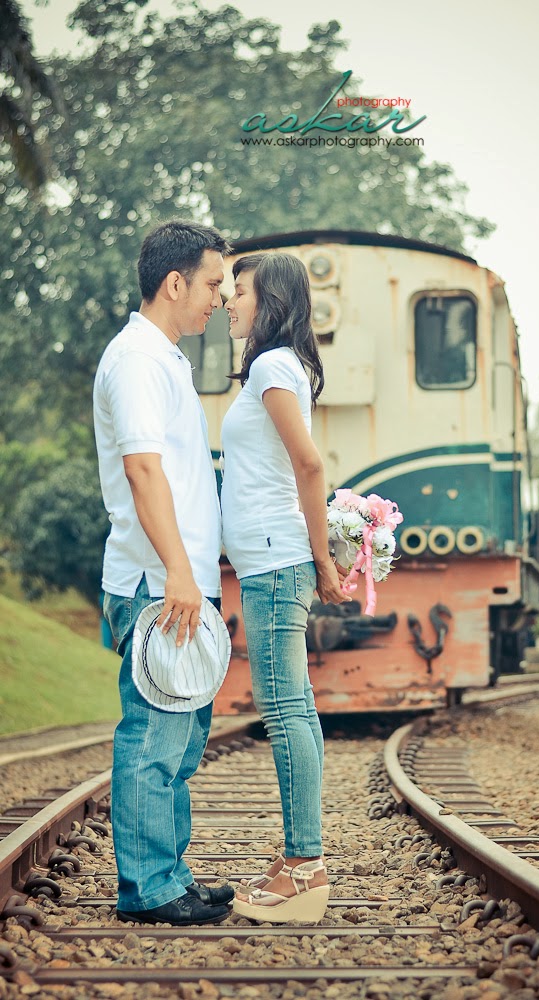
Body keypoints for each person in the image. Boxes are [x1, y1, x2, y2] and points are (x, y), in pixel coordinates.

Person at [93, 220, 235, 926]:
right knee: (153, 736)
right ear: (173, 283)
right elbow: (143, 470)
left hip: (181, 580)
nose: (223, 296)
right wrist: (179, 570)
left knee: (180, 739)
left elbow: (179, 477)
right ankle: (146, 887)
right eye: (213, 283)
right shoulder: (137, 361)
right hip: (157, 582)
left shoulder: (168, 359)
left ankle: (167, 873)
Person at [221, 252, 348, 923]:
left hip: (275, 563)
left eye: (236, 290)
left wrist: (322, 556)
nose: (226, 300)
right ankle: (304, 861)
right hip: (272, 560)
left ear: (267, 298)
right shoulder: (277, 367)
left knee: (285, 712)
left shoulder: (272, 366)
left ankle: (304, 868)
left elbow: (309, 462)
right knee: (295, 708)